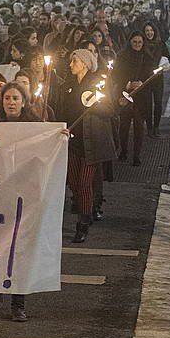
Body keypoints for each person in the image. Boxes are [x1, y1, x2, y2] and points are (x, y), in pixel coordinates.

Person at [0, 82, 38, 320]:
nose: (10, 102)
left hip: (25, 194)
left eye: (15, 98)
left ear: (24, 102)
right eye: (7, 98)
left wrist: (58, 137)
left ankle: (18, 303)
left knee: (20, 248)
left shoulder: (36, 126)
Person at [56, 49, 117, 244]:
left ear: (85, 63)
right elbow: (62, 111)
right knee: (74, 182)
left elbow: (110, 109)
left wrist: (95, 104)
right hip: (74, 141)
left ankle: (83, 223)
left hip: (91, 142)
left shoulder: (97, 83)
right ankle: (86, 209)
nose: (71, 64)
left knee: (84, 182)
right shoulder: (69, 85)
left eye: (75, 61)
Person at [114, 32, 152, 166]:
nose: (137, 45)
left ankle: (136, 155)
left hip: (141, 96)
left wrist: (142, 83)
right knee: (124, 125)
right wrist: (128, 84)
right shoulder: (122, 56)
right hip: (125, 94)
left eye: (139, 42)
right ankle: (124, 151)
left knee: (139, 127)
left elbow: (150, 75)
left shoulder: (147, 57)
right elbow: (117, 75)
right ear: (130, 42)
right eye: (134, 42)